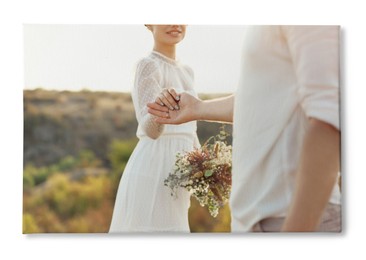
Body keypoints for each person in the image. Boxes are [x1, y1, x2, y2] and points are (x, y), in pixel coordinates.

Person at [147, 25, 341, 232]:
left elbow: (330, 118)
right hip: (255, 221)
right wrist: (198, 107)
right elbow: (263, 100)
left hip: (289, 219)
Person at [109, 25, 200, 232]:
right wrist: (161, 105)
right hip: (154, 168)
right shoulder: (147, 65)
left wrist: (203, 166)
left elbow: (191, 128)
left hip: (179, 172)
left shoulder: (188, 71)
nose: (175, 24)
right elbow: (151, 130)